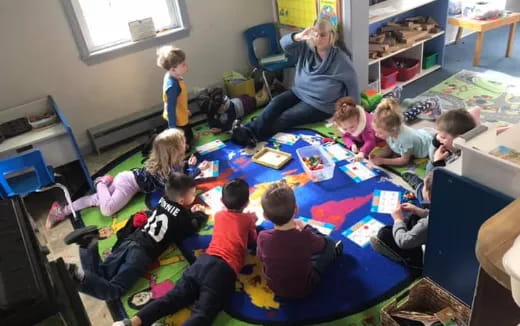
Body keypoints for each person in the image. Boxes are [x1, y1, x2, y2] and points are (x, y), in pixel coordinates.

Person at [112, 179, 257, 326]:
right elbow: (252, 241)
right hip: (223, 270)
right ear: (246, 203)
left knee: (171, 298)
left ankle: (132, 322)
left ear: (222, 200)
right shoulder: (247, 219)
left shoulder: (219, 215)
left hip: (203, 262)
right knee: (203, 314)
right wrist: (252, 221)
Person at [63, 173, 209, 302]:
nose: (195, 196)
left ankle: (87, 244)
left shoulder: (163, 200)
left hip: (131, 239)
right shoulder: (183, 216)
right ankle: (80, 276)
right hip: (142, 254)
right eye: (193, 194)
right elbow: (191, 228)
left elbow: (172, 214)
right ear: (183, 201)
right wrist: (200, 214)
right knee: (115, 290)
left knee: (103, 273)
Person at [232, 18, 359, 147]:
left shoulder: (341, 59)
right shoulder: (306, 48)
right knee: (275, 103)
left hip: (320, 105)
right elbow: (284, 44)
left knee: (286, 117)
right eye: (315, 34)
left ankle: (252, 135)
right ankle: (248, 130)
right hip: (299, 92)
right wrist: (299, 36)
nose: (318, 38)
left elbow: (352, 85)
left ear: (331, 36)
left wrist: (354, 112)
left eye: (322, 35)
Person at [46, 128, 208, 228]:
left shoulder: (173, 161)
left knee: (95, 200)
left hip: (128, 179)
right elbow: (174, 185)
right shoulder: (165, 171)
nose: (185, 144)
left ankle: (61, 210)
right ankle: (101, 182)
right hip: (129, 184)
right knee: (107, 209)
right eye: (182, 143)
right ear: (173, 150)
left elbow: (179, 171)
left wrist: (188, 164)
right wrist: (196, 171)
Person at [256, 181, 343, 298]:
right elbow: (324, 244)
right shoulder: (305, 235)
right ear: (296, 209)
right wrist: (307, 228)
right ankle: (334, 254)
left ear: (265, 216)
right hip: (305, 288)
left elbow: (260, 256)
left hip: (274, 287)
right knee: (329, 245)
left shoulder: (262, 236)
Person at [370, 170, 434, 269]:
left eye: (423, 186)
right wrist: (418, 211)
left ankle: (413, 262)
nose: (422, 188)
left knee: (384, 234)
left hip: (429, 257)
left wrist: (398, 220)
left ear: (429, 196)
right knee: (414, 216)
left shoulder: (428, 223)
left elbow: (404, 242)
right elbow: (431, 214)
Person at [369, 98, 434, 167]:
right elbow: (389, 148)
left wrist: (383, 161)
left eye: (380, 132)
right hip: (421, 134)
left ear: (392, 129)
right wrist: (378, 156)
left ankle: (432, 103)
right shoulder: (390, 132)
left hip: (429, 145)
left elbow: (404, 160)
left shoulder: (405, 139)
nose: (376, 135)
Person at [156, 45, 194, 147]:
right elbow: (171, 108)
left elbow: (179, 100)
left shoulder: (175, 76)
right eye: (183, 65)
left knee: (190, 135)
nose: (186, 66)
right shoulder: (172, 86)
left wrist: (185, 110)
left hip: (181, 114)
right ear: (173, 69)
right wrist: (173, 129)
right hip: (177, 121)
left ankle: (188, 139)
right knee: (185, 145)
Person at [332, 96, 382, 161]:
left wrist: (362, 153)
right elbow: (345, 136)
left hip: (379, 137)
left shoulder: (366, 126)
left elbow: (370, 141)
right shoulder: (346, 125)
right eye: (345, 129)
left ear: (359, 120)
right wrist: (351, 144)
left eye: (352, 127)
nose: (349, 130)